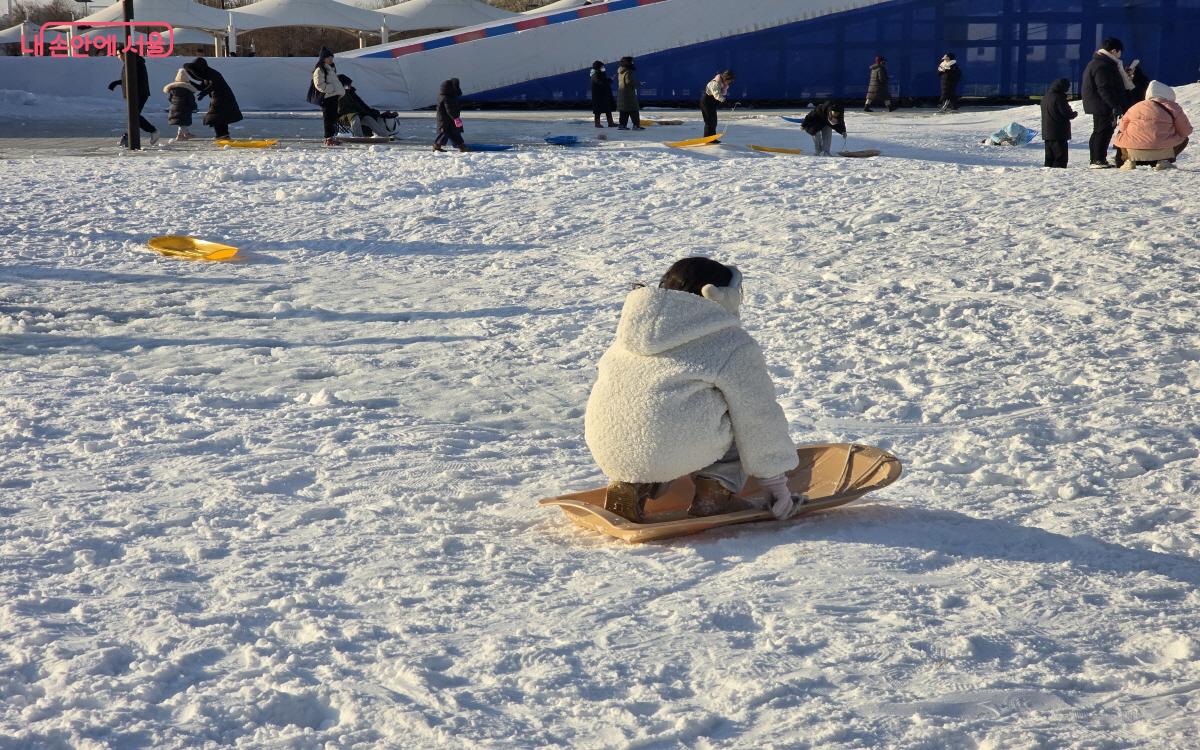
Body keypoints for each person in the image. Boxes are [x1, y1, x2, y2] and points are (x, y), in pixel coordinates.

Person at [584, 257, 805, 523]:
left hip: (612, 450)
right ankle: (715, 492)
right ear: (720, 296)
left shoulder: (627, 336)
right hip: (669, 447)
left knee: (645, 406)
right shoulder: (730, 343)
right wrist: (776, 483)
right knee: (739, 416)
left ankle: (631, 485)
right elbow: (758, 416)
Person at [1113, 80, 1192, 171]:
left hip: (1133, 150)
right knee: (1184, 138)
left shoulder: (1136, 106)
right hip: (1162, 149)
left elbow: (1122, 128)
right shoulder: (1173, 107)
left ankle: (1129, 160)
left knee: (1122, 135)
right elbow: (1185, 131)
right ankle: (1164, 161)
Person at [1081, 37, 1132, 169]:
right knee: (1102, 132)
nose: (1120, 55)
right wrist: (1115, 105)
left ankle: (1097, 159)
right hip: (1102, 105)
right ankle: (1098, 159)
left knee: (1099, 131)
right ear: (1114, 51)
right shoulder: (1103, 65)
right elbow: (1104, 88)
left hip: (1100, 104)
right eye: (1119, 52)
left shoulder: (1101, 62)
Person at [182, 58, 242, 140]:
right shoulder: (205, 75)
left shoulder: (213, 73)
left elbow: (214, 85)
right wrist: (189, 82)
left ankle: (222, 135)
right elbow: (201, 87)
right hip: (218, 98)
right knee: (221, 117)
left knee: (215, 116)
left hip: (223, 98)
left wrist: (204, 93)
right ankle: (223, 135)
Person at [107, 50, 158, 147]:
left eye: (118, 54)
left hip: (138, 93)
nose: (117, 57)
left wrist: (118, 83)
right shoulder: (131, 62)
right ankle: (129, 136)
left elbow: (134, 78)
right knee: (133, 115)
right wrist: (117, 83)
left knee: (133, 115)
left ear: (124, 53)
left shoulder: (135, 62)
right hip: (133, 93)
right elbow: (128, 78)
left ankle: (152, 131)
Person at [336, 74, 398, 138]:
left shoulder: (351, 93)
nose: (349, 86)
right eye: (347, 85)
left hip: (356, 115)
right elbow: (341, 110)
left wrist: (371, 112)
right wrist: (358, 112)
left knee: (368, 118)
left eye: (349, 85)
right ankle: (358, 137)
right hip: (342, 117)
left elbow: (361, 105)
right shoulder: (337, 94)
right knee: (355, 116)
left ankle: (384, 136)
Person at [311, 47, 344, 147]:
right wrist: (331, 89)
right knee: (328, 118)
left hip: (333, 96)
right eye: (329, 57)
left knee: (333, 118)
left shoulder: (331, 68)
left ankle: (332, 137)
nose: (331, 59)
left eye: (332, 57)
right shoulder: (320, 69)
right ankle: (328, 138)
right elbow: (319, 85)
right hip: (327, 97)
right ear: (323, 58)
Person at [1040, 78, 1077, 168]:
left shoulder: (1046, 97)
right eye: (1067, 87)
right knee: (1060, 157)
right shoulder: (1059, 97)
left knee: (1049, 157)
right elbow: (1066, 113)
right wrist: (1074, 114)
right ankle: (1058, 176)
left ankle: (1047, 174)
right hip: (1058, 131)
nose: (1068, 90)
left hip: (1047, 131)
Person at [162, 67, 199, 143]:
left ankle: (180, 135)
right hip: (184, 109)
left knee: (181, 122)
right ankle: (185, 134)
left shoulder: (172, 90)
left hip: (174, 108)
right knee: (183, 122)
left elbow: (169, 99)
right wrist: (194, 107)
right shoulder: (188, 91)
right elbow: (191, 101)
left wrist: (174, 104)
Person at [433, 78, 467, 152]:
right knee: (445, 133)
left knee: (454, 132)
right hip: (446, 120)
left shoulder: (446, 96)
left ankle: (461, 146)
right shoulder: (446, 98)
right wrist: (456, 118)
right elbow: (450, 109)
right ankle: (436, 146)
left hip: (448, 119)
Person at [700, 70, 734, 140]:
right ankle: (707, 138)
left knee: (714, 121)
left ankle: (712, 138)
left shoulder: (722, 84)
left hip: (711, 103)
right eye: (729, 81)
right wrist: (725, 102)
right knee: (709, 121)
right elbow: (717, 96)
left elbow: (721, 95)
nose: (729, 83)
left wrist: (725, 88)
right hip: (706, 102)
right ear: (725, 78)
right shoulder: (715, 83)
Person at [616, 56, 643, 130]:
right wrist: (638, 83)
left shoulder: (620, 71)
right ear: (628, 62)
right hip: (628, 94)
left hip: (622, 93)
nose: (632, 63)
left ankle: (622, 125)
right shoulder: (628, 71)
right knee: (634, 110)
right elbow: (629, 81)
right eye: (631, 61)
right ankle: (636, 126)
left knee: (624, 110)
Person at [590, 61, 616, 128]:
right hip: (598, 95)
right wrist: (609, 80)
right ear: (598, 67)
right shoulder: (594, 73)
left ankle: (611, 123)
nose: (603, 67)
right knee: (598, 110)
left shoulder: (601, 73)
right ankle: (597, 123)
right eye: (602, 66)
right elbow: (599, 82)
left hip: (604, 93)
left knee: (608, 109)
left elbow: (603, 80)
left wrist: (609, 80)